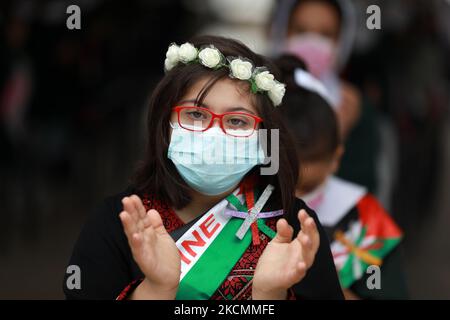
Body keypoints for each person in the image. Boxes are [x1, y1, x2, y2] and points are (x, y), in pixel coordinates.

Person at [63, 35, 344, 300]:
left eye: (237, 121)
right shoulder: (118, 224)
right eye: (195, 114)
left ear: (265, 139)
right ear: (164, 125)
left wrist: (270, 296)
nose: (214, 134)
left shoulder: (292, 227)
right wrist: (156, 289)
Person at [275, 55, 408, 299]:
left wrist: (322, 278)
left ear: (336, 157)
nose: (297, 198)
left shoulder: (365, 220)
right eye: (282, 182)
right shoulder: (236, 210)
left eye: (309, 186)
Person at [271, 0, 379, 193]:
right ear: (283, 31)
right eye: (301, 30)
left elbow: (364, 187)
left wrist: (340, 136)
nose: (312, 42)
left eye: (325, 34)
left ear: (342, 41)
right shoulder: (258, 92)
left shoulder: (353, 106)